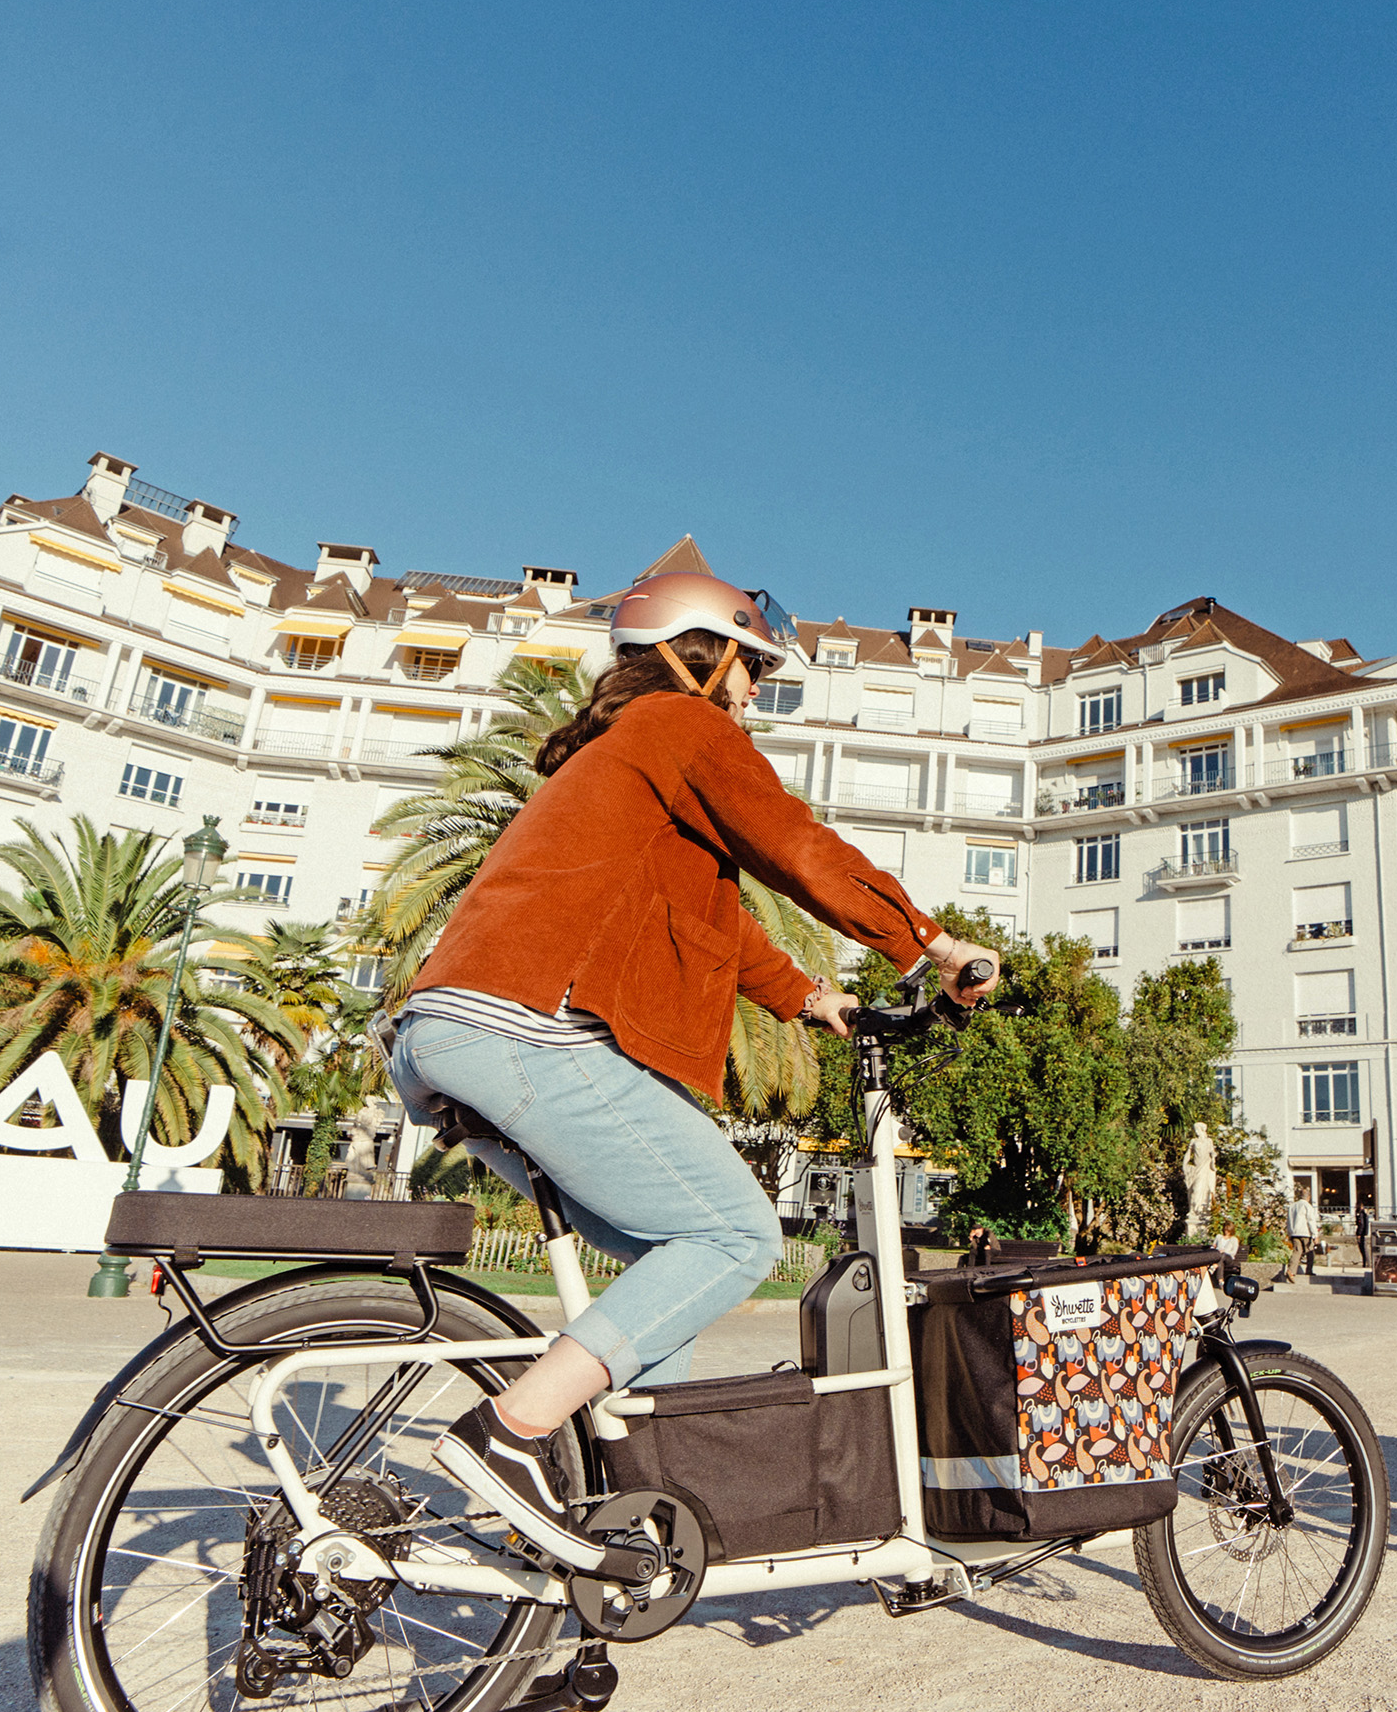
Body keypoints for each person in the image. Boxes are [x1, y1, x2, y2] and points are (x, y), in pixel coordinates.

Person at [392, 572, 1002, 1556]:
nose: (755, 692)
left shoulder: (620, 755)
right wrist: (928, 942)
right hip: (526, 1023)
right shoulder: (682, 724)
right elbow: (795, 845)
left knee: (667, 1265)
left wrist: (810, 997)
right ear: (693, 654)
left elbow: (708, 913)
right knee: (732, 1236)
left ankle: (592, 1538)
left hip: (450, 1029)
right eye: (751, 669)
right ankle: (509, 1437)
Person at [1287, 1189, 1320, 1279]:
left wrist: (1290, 1233)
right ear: (1308, 1197)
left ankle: (1291, 1270)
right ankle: (1309, 1271)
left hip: (1294, 1233)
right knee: (1310, 1252)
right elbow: (1311, 1221)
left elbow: (1289, 1221)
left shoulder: (1292, 1206)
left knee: (1297, 1252)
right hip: (1305, 1233)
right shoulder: (1307, 1206)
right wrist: (1315, 1235)